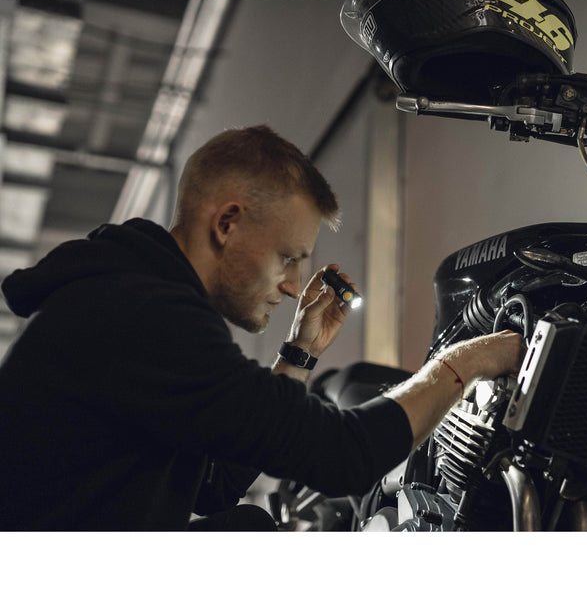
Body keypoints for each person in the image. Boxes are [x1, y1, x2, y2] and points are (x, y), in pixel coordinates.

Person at [0, 124, 524, 530]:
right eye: (287, 257)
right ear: (226, 224)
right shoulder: (144, 313)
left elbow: (212, 485)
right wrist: (464, 361)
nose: (295, 285)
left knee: (249, 527)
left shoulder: (133, 293)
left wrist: (298, 354)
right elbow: (343, 455)